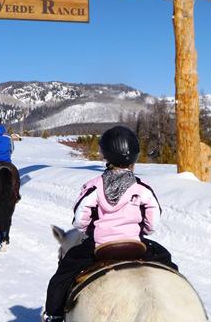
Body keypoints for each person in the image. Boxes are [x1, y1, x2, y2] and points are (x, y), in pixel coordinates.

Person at [41, 126, 176, 322]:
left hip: (99, 246)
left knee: (62, 275)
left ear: (106, 155)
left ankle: (53, 316)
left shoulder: (93, 186)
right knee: (168, 262)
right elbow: (152, 223)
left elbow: (79, 221)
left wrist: (90, 229)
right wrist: (141, 230)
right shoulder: (143, 188)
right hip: (135, 245)